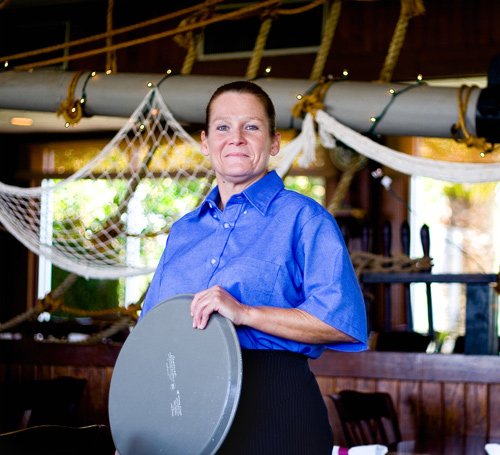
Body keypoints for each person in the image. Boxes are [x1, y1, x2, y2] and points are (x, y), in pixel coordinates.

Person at [140, 80, 368, 454]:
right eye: (223, 127)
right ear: (205, 141)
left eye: (252, 127)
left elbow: (341, 324)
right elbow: (150, 337)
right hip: (184, 407)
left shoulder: (305, 218)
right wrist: (134, 423)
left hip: (275, 405)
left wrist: (245, 313)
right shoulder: (183, 232)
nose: (236, 138)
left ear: (274, 142)